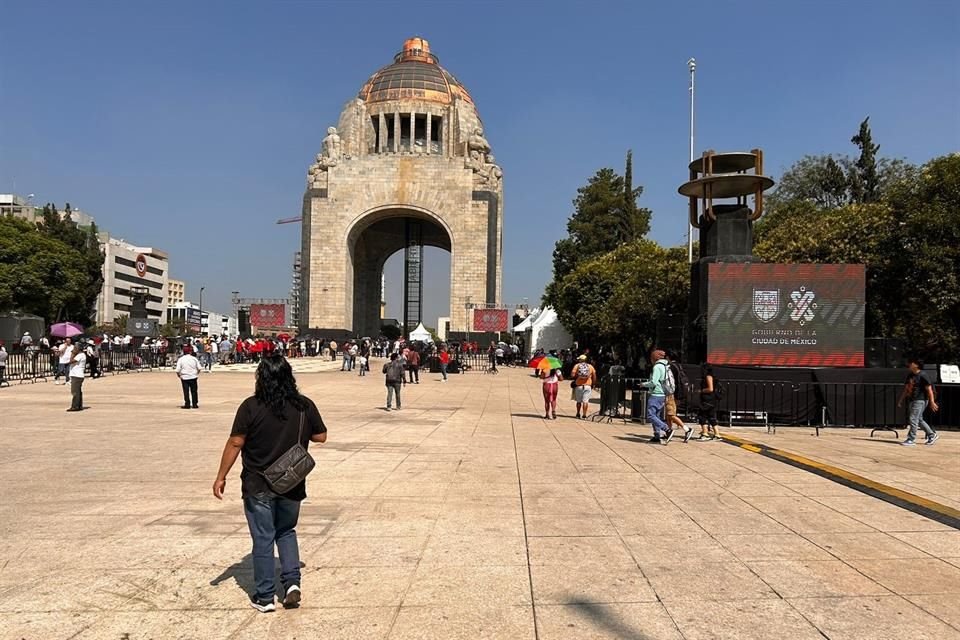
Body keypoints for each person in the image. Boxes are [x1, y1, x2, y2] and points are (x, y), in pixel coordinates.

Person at [212, 355, 327, 613]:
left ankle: (264, 597)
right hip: (292, 482)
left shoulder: (250, 406)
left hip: (258, 483)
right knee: (286, 531)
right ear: (289, 376)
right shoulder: (303, 405)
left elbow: (235, 443)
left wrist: (221, 476)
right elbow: (321, 436)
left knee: (263, 538)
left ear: (260, 378)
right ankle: (291, 584)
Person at [898, 358, 939, 446]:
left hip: (921, 400)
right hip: (912, 399)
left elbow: (929, 390)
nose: (909, 364)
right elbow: (906, 389)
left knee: (913, 418)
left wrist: (932, 402)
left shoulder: (923, 375)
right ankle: (932, 435)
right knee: (919, 419)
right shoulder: (910, 375)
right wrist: (901, 400)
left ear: (916, 365)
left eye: (911, 363)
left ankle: (911, 439)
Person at [643, 350, 672, 444]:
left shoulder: (657, 367)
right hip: (662, 394)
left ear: (654, 358)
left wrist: (643, 384)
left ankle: (666, 429)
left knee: (651, 415)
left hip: (656, 393)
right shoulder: (665, 366)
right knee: (657, 415)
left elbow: (653, 382)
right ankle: (656, 435)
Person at [665, 351, 693, 442]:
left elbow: (671, 382)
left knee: (671, 414)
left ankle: (687, 429)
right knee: (669, 415)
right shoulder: (678, 366)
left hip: (672, 393)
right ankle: (668, 431)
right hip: (677, 393)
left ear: (668, 357)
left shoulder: (671, 367)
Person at [695, 363, 720, 441]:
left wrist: (701, 391)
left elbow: (710, 389)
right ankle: (717, 434)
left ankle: (705, 433)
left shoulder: (708, 377)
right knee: (711, 416)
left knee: (702, 415)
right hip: (712, 399)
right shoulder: (713, 377)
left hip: (707, 399)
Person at [569, 354, 598, 420]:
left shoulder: (577, 366)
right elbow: (594, 376)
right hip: (588, 386)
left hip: (578, 386)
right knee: (585, 401)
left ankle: (578, 413)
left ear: (580, 360)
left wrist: (576, 375)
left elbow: (572, 375)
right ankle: (584, 415)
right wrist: (593, 384)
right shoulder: (590, 366)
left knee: (579, 401)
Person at [175, 344, 202, 409]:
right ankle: (195, 404)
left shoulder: (181, 359)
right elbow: (199, 368)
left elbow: (177, 370)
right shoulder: (194, 359)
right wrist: (196, 374)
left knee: (186, 391)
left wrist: (179, 375)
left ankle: (187, 404)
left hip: (184, 377)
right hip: (193, 376)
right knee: (194, 391)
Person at [66, 343, 86, 412]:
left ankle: (75, 406)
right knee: (78, 391)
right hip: (77, 375)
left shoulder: (80, 355)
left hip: (77, 375)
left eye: (75, 348)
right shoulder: (80, 355)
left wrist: (72, 353)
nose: (73, 349)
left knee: (75, 391)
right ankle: (79, 405)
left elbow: (71, 361)